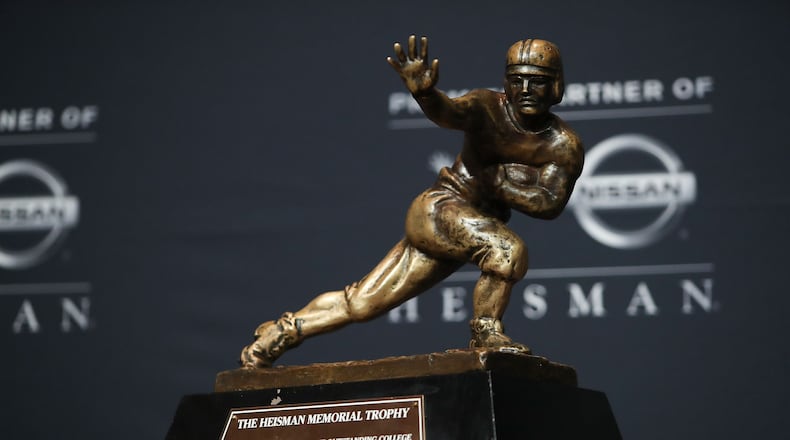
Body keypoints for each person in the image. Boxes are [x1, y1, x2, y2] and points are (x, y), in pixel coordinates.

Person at [241, 36, 583, 368]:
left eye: (536, 81)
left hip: (473, 225)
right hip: (440, 209)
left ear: (555, 85)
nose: (525, 90)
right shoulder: (487, 107)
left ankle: (279, 333)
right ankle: (486, 333)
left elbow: (548, 203)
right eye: (517, 80)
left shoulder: (562, 145)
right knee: (507, 251)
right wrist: (425, 93)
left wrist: (497, 181)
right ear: (505, 83)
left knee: (363, 303)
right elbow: (450, 113)